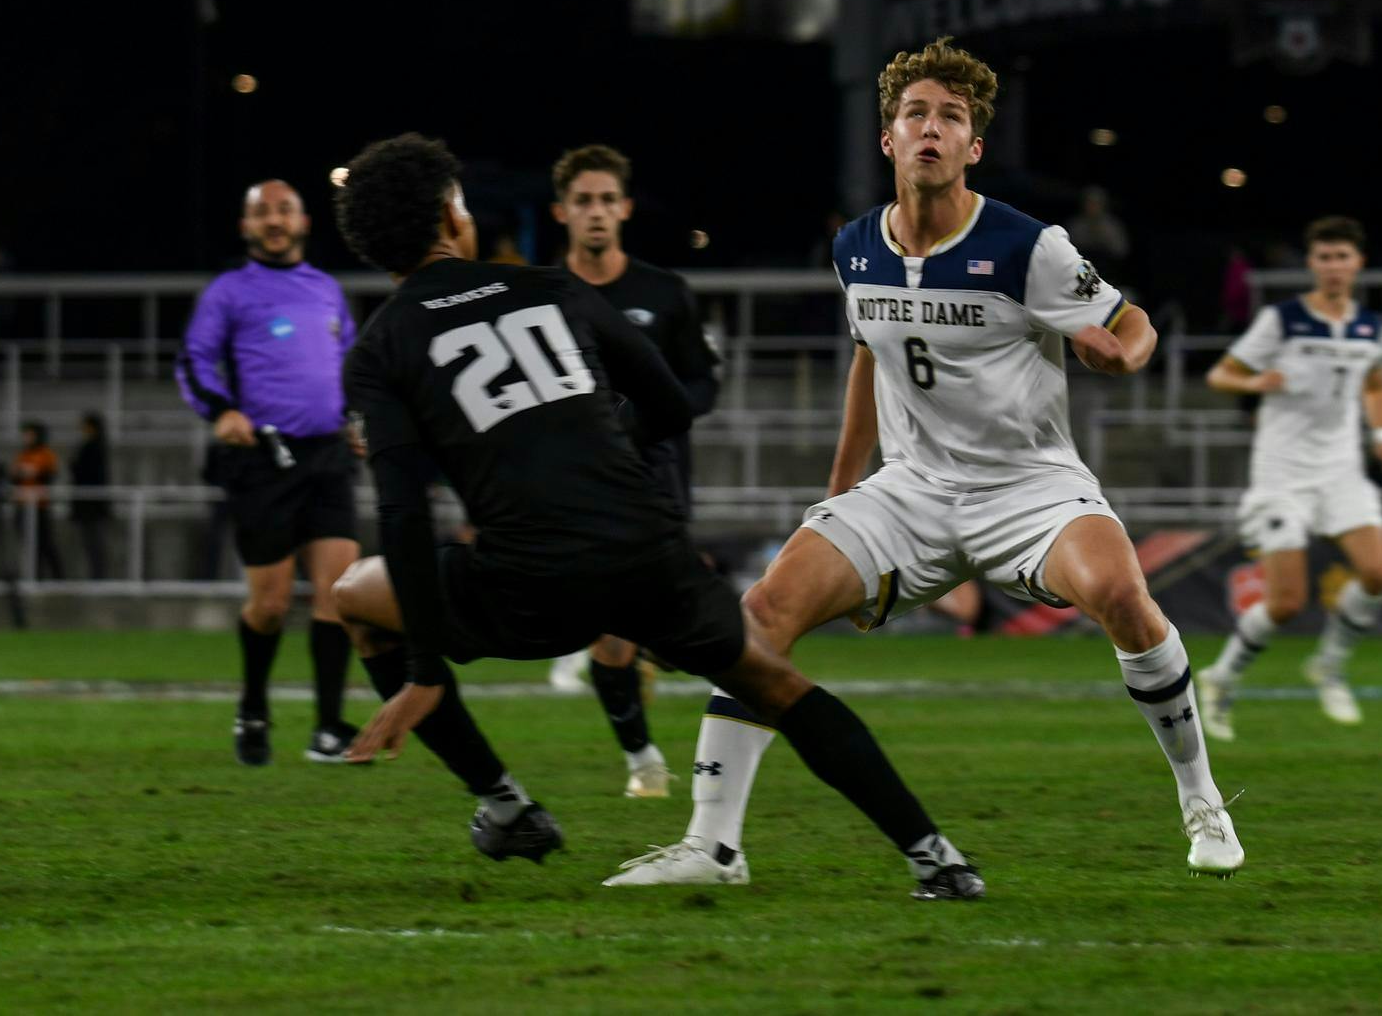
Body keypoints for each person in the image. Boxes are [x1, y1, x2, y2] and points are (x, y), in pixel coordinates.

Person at [607, 37, 1241, 889]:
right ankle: (713, 846)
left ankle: (1200, 796)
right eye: (916, 114)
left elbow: (1133, 325)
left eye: (952, 117)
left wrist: (1121, 358)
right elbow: (871, 357)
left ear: (974, 146)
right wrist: (839, 504)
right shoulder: (855, 249)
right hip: (908, 491)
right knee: (758, 613)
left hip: (1030, 487)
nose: (932, 129)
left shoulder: (1028, 246)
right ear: (889, 138)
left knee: (1125, 595)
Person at [329, 133, 984, 900]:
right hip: (644, 547)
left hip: (529, 580)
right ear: (451, 213)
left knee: (352, 597)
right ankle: (934, 855)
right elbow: (671, 404)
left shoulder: (380, 347)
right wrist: (595, 448)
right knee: (770, 680)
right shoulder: (553, 288)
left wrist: (422, 667)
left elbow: (403, 511)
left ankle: (506, 806)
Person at [546, 143, 721, 799]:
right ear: (562, 211)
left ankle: (659, 650)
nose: (595, 212)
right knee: (612, 632)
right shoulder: (541, 296)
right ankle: (644, 761)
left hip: (658, 478)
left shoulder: (662, 292)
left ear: (623, 208)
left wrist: (650, 416)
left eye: (606, 200)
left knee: (672, 631)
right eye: (582, 201)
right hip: (577, 485)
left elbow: (702, 383)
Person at [176, 179, 363, 766]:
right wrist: (222, 411)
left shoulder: (328, 290)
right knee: (271, 605)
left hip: (329, 456)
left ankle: (329, 727)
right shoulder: (230, 292)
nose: (274, 220)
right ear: (246, 227)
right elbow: (195, 360)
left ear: (305, 222)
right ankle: (252, 706)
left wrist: (358, 419)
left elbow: (353, 366)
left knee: (340, 596)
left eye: (285, 210)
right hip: (265, 460)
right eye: (262, 212)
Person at [1199, 217, 1382, 739]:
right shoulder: (1283, 320)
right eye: (1324, 257)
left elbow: (1375, 383)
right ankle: (1221, 678)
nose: (1334, 267)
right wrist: (1256, 380)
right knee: (1287, 604)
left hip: (1341, 472)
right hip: (1282, 477)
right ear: (1312, 264)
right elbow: (1220, 373)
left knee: (1378, 573)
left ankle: (1329, 666)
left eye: (1343, 257)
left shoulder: (1370, 327)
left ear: (1358, 263)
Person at [11, 422, 63, 581]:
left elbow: (50, 476)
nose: (27, 438)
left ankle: (58, 577)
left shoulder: (46, 454)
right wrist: (20, 474)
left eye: (30, 434)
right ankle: (35, 576)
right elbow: (14, 477)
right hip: (23, 505)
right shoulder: (22, 455)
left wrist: (34, 473)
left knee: (45, 543)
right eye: (25, 434)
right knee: (28, 544)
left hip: (40, 506)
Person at [70, 413, 112, 580]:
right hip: (89, 502)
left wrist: (75, 467)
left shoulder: (94, 447)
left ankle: (98, 576)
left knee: (94, 542)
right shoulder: (93, 446)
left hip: (91, 502)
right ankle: (96, 575)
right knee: (91, 543)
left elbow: (88, 473)